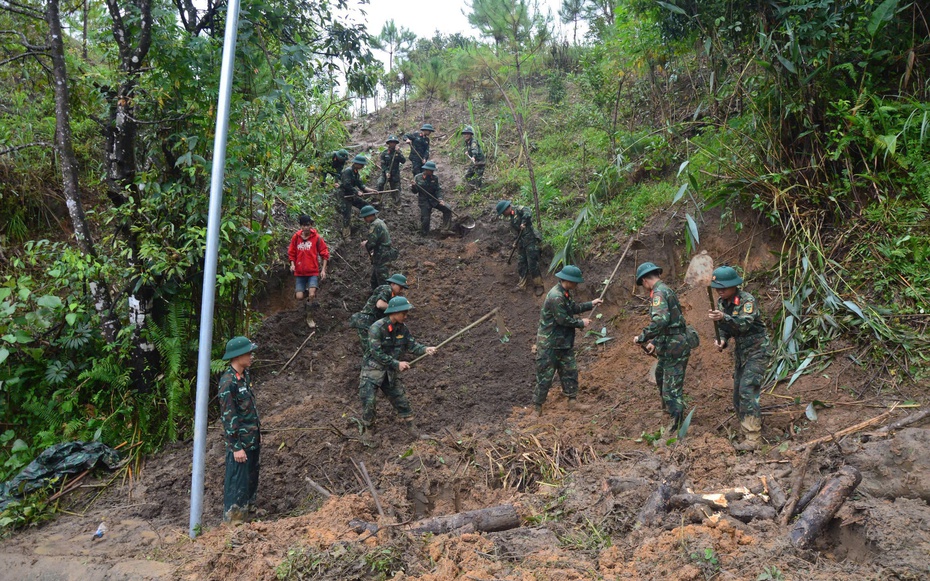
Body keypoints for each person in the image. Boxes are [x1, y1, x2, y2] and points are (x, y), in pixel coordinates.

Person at [707, 266, 772, 451]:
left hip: (758, 350)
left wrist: (724, 317)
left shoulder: (747, 301)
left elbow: (744, 324)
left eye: (724, 287)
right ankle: (746, 431)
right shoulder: (721, 303)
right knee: (737, 395)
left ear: (734, 286)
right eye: (717, 288)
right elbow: (725, 330)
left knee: (747, 389)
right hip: (742, 353)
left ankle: (753, 439)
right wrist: (721, 340)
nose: (720, 291)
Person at [358, 296, 436, 439]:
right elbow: (376, 353)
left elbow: (412, 346)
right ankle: (368, 432)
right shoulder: (377, 328)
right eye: (403, 313)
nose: (406, 316)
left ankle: (414, 431)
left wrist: (425, 349)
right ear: (394, 312)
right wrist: (396, 363)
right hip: (372, 371)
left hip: (389, 373)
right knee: (369, 402)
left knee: (401, 400)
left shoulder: (402, 329)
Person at [533, 265, 603, 416]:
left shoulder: (565, 293)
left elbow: (572, 308)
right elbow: (562, 319)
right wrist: (580, 323)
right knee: (545, 376)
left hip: (564, 343)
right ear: (568, 280)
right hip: (550, 344)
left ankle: (572, 401)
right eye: (575, 282)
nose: (577, 285)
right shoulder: (555, 297)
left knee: (570, 372)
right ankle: (537, 407)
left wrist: (591, 303)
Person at [633, 262, 691, 431]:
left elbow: (660, 320)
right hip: (668, 342)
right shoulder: (665, 290)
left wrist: (643, 336)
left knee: (671, 387)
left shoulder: (658, 293)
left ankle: (676, 425)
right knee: (660, 375)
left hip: (675, 344)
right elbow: (670, 321)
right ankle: (670, 411)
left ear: (644, 280)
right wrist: (654, 342)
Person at [218, 336, 260, 524]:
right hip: (240, 443)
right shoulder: (228, 382)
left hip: (252, 439)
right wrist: (236, 446)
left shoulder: (244, 377)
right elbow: (229, 416)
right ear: (238, 355)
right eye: (248, 353)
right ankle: (234, 522)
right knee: (237, 482)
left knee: (251, 478)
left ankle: (248, 512)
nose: (252, 356)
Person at [349, 273, 409, 358]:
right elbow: (380, 304)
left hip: (371, 322)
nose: (401, 290)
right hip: (365, 321)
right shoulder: (387, 289)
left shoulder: (392, 296)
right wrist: (395, 309)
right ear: (393, 284)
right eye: (400, 287)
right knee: (370, 350)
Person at [287, 214, 329, 328]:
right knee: (300, 296)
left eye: (308, 225)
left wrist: (323, 270)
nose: (306, 228)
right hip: (300, 273)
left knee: (311, 294)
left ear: (311, 225)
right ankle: (306, 293)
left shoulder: (317, 238)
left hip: (312, 272)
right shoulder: (296, 238)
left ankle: (309, 316)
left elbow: (325, 254)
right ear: (300, 226)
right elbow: (292, 253)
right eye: (303, 225)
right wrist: (292, 264)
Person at [496, 200, 544, 296]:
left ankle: (539, 285)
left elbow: (528, 211)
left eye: (503, 212)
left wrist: (523, 221)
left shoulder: (518, 209)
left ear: (506, 209)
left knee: (532, 263)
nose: (503, 215)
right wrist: (515, 242)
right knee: (521, 263)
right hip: (522, 242)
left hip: (530, 239)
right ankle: (522, 285)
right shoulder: (511, 218)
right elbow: (517, 232)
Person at [337, 154, 377, 238]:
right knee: (347, 215)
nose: (362, 166)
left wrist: (371, 190)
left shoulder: (356, 173)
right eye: (361, 164)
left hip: (351, 195)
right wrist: (357, 192)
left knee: (366, 206)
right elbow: (346, 184)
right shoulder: (348, 171)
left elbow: (361, 185)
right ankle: (346, 235)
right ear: (356, 164)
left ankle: (372, 224)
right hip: (344, 196)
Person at [360, 205, 397, 289]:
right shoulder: (380, 222)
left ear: (370, 216)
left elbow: (371, 243)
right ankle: (376, 298)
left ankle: (385, 299)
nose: (364, 219)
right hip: (384, 253)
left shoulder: (374, 225)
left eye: (365, 217)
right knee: (375, 279)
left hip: (381, 255)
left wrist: (365, 244)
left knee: (382, 281)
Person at [412, 160, 452, 235]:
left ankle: (445, 229)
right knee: (425, 220)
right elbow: (415, 192)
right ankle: (424, 234)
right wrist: (413, 186)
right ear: (426, 170)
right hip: (424, 202)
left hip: (434, 200)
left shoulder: (435, 178)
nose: (432, 172)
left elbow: (438, 190)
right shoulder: (417, 177)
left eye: (433, 171)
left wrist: (440, 199)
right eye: (431, 171)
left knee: (447, 208)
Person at [377, 135, 406, 205]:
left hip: (395, 174)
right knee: (380, 183)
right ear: (388, 143)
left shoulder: (398, 152)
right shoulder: (384, 153)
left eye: (394, 143)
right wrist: (386, 172)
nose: (393, 144)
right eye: (391, 142)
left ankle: (398, 205)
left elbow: (403, 161)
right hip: (385, 173)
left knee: (396, 189)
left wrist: (398, 153)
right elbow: (383, 164)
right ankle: (379, 200)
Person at [461, 125, 485, 191]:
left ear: (471, 135)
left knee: (478, 176)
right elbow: (471, 149)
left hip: (479, 161)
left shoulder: (473, 141)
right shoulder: (468, 142)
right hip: (474, 161)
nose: (466, 135)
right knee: (467, 175)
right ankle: (470, 187)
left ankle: (478, 190)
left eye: (467, 134)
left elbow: (475, 150)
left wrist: (473, 156)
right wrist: (468, 152)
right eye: (465, 134)